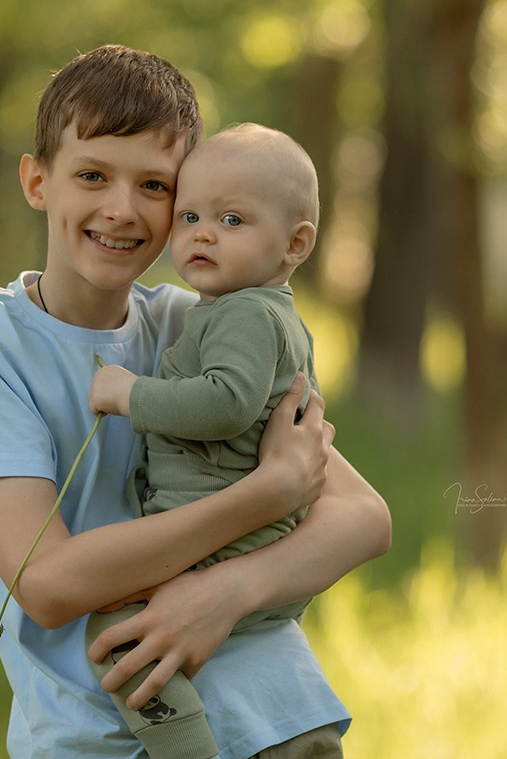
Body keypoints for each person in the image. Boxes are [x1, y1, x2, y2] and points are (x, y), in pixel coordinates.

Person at [0, 44, 391, 759]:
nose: (121, 208)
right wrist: (264, 495)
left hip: (267, 718)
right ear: (37, 180)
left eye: (155, 186)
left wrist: (227, 591)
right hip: (92, 739)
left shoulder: (199, 323)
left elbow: (360, 516)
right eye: (93, 175)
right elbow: (45, 582)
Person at [85, 123, 326, 757]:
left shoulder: (247, 313)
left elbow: (225, 405)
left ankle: (185, 748)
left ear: (295, 243)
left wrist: (127, 394)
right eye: (189, 215)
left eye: (232, 219)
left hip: (223, 545)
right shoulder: (249, 312)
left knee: (115, 627)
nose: (202, 233)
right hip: (247, 539)